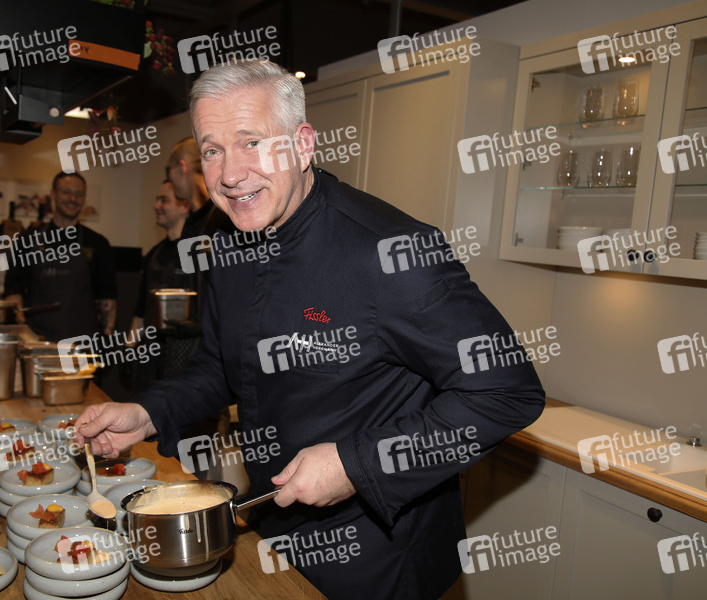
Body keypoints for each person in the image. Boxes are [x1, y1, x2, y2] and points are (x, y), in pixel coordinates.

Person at [75, 60, 545, 600]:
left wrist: (356, 465)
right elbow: (223, 365)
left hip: (378, 552)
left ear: (302, 146)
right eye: (212, 150)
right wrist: (147, 411)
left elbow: (508, 392)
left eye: (251, 142)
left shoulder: (392, 253)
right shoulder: (227, 242)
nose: (230, 174)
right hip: (273, 525)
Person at [4, 171, 117, 344]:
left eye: (79, 194)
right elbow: (14, 289)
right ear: (53, 194)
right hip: (38, 342)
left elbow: (107, 297)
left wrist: (107, 338)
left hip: (82, 345)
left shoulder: (98, 243)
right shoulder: (27, 240)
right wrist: (20, 324)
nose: (73, 199)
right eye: (66, 192)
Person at [127, 180, 195, 390]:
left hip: (184, 359)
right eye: (157, 200)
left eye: (164, 200)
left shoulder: (198, 252)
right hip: (150, 358)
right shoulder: (153, 255)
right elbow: (141, 311)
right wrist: (129, 349)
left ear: (184, 207)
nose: (156, 206)